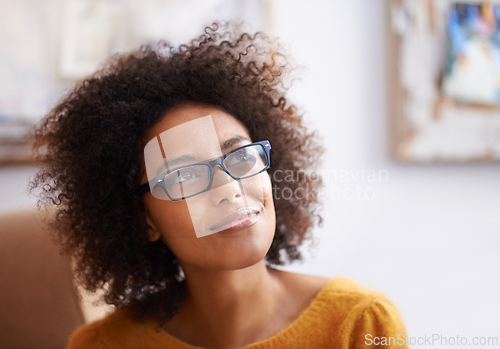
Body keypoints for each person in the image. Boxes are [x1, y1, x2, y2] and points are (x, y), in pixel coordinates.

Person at [31, 22, 408, 349]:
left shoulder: (362, 325)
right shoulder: (103, 346)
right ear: (141, 219)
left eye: (241, 157)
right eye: (184, 175)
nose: (229, 188)